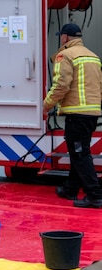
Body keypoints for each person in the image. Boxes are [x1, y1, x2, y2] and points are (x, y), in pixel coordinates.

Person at [43, 23, 102, 208]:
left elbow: (61, 85)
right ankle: (70, 188)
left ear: (64, 37)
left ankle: (95, 194)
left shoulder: (65, 55)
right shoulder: (93, 56)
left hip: (77, 113)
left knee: (80, 153)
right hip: (91, 113)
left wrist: (47, 105)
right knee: (79, 151)